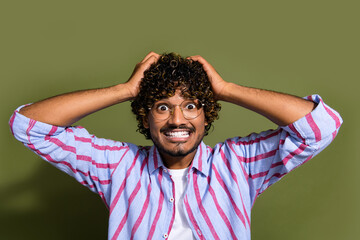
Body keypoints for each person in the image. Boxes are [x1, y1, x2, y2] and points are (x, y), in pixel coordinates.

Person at [9, 52, 342, 240]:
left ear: (206, 113)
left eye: (192, 105)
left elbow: (320, 128)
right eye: (163, 107)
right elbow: (28, 127)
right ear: (146, 116)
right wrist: (125, 90)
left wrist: (225, 89)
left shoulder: (238, 164)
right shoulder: (118, 166)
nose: (177, 120)